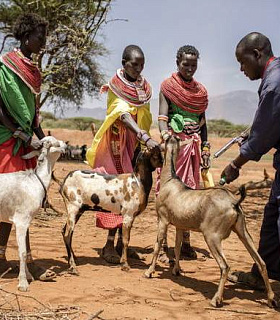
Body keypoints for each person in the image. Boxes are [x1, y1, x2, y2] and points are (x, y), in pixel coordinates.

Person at [86, 45, 160, 264]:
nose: (138, 69)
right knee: (117, 194)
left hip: (134, 144)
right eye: (134, 64)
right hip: (116, 145)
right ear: (124, 63)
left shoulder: (142, 87)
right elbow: (123, 114)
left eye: (142, 65)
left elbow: (143, 114)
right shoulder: (115, 86)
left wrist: (140, 139)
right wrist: (144, 136)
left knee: (133, 195)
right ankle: (108, 244)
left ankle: (122, 243)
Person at [221, 32, 280, 290]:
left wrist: (235, 165)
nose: (241, 69)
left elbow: (262, 137)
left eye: (242, 61)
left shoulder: (274, 83)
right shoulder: (274, 79)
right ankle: (264, 274)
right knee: (272, 218)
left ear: (257, 54)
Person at [0, 13, 56, 281]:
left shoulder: (33, 72)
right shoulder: (5, 66)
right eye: (39, 37)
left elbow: (32, 113)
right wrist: (20, 133)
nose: (43, 42)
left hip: (26, 144)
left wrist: (42, 140)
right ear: (25, 37)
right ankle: (7, 259)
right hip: (6, 141)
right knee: (10, 203)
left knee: (24, 205)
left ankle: (24, 259)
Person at [157, 45, 210, 261]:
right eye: (185, 64)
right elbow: (162, 118)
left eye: (193, 65)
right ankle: (163, 246)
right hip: (174, 150)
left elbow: (203, 123)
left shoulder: (200, 93)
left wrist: (206, 148)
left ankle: (186, 244)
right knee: (168, 194)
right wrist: (166, 138)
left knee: (189, 194)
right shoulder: (168, 87)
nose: (189, 68)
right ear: (177, 63)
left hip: (193, 150)